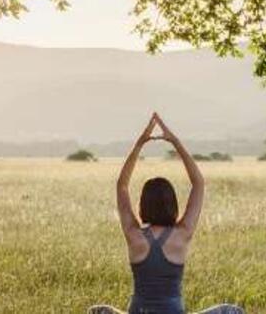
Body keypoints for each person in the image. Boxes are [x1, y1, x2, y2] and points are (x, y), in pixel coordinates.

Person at [88, 113, 244, 314]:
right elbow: (198, 183)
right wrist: (175, 142)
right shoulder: (182, 233)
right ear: (172, 204)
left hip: (138, 312)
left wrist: (139, 144)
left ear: (143, 204)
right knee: (232, 311)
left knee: (97, 311)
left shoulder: (133, 235)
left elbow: (122, 186)